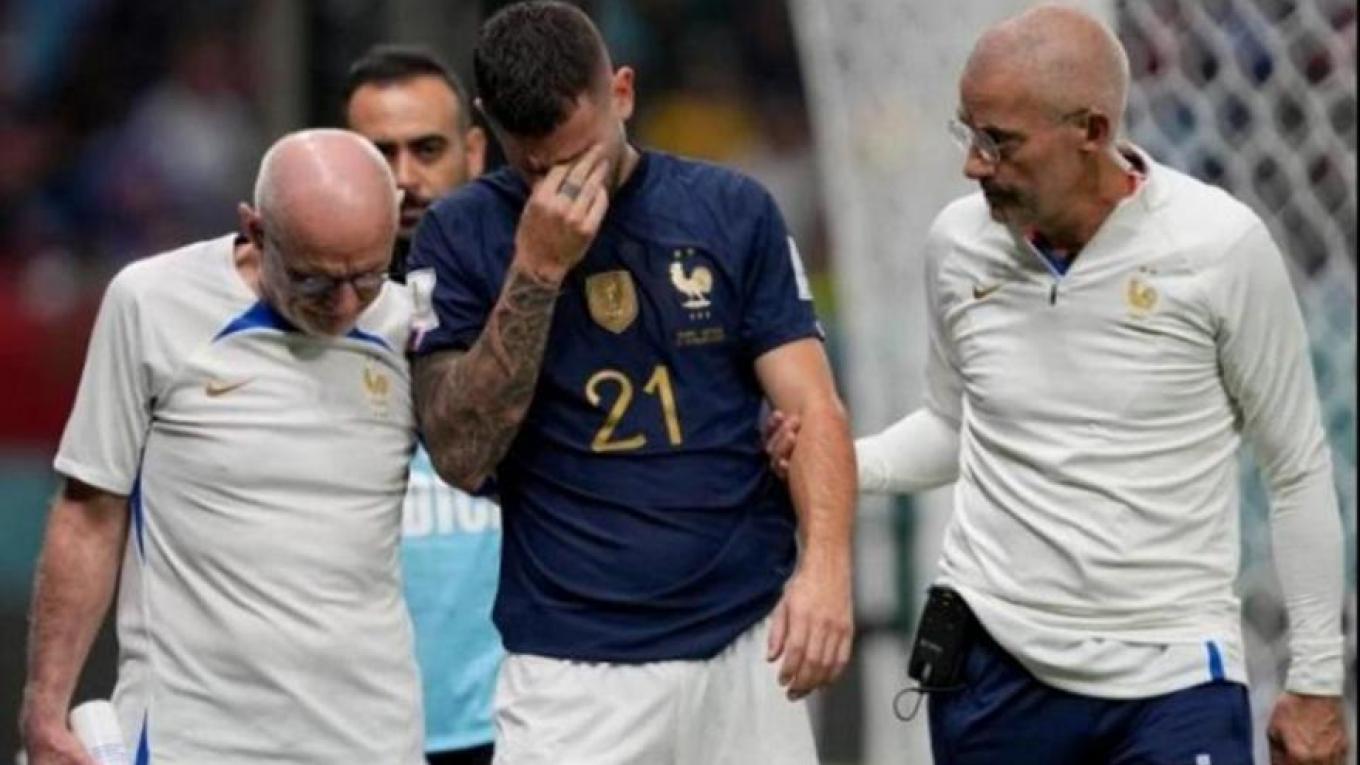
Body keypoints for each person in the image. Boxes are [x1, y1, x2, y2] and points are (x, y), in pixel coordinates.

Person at [769, 5, 1348, 764]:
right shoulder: (957, 245)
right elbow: (953, 425)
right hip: (994, 672)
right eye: (968, 134)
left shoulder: (1219, 247)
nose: (974, 164)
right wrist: (838, 460)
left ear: (1092, 131)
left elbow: (1296, 467)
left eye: (998, 141)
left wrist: (1316, 680)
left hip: (1172, 678)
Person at [407, 3, 856, 763]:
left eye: (582, 153)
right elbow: (458, 452)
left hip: (744, 639)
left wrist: (827, 571)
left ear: (622, 92)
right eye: (538, 167)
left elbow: (812, 406)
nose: (566, 183)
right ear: (491, 125)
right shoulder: (459, 235)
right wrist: (537, 269)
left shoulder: (731, 210)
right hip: (573, 667)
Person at [20, 129, 425, 764]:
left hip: (372, 740)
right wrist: (45, 710)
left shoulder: (411, 325)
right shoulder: (151, 303)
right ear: (256, 231)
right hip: (194, 738)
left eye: (368, 276)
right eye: (316, 281)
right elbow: (89, 512)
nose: (346, 304)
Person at [343, 45, 500, 765]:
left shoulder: (540, 294)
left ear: (475, 150)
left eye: (427, 149)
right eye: (380, 154)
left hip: (521, 715)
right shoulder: (289, 325)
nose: (405, 177)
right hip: (351, 720)